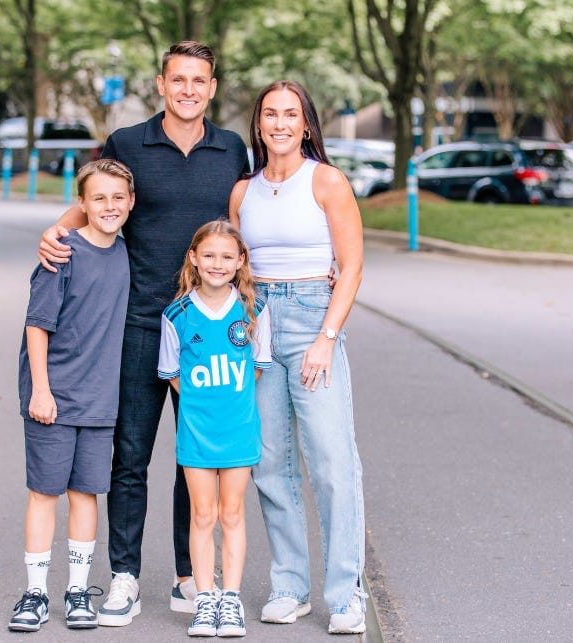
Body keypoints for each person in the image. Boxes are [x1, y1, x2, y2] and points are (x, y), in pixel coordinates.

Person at [37, 41, 249, 626]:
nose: (188, 90)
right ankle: (124, 576)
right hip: (137, 324)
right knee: (128, 457)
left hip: (204, 330)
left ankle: (188, 576)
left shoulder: (232, 148)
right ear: (161, 84)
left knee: (194, 458)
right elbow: (98, 199)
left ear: (212, 87)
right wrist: (56, 231)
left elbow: (248, 221)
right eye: (178, 79)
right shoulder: (128, 143)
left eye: (199, 80)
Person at [228, 80, 367, 635]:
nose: (280, 123)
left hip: (314, 320)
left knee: (332, 462)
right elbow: (235, 267)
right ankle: (290, 586)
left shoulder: (326, 181)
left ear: (306, 124)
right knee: (269, 464)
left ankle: (346, 594)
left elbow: (351, 267)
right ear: (258, 124)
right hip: (257, 324)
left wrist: (326, 337)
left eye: (291, 114)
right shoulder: (243, 192)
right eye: (270, 114)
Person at [9, 159, 134, 632]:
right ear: (81, 203)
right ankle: (35, 593)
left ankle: (78, 590)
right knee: (45, 492)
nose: (109, 206)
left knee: (86, 493)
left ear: (131, 203)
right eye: (98, 197)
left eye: (118, 197)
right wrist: (41, 390)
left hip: (100, 400)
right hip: (54, 397)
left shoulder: (124, 253)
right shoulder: (61, 254)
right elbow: (36, 326)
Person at [157, 221, 271, 637]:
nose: (217, 264)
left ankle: (231, 600)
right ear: (194, 258)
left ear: (240, 261)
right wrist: (202, 403)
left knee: (232, 512)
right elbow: (173, 373)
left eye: (226, 256)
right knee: (202, 514)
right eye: (208, 255)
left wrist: (229, 401)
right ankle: (205, 600)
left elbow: (257, 367)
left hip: (238, 429)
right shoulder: (177, 315)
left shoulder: (254, 311)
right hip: (197, 432)